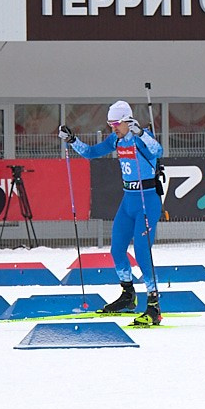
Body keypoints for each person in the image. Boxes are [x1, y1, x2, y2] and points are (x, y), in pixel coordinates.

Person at [62, 102, 165, 326]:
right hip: (128, 201)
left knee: (141, 251)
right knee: (117, 249)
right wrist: (73, 141)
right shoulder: (117, 140)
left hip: (147, 201)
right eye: (110, 124)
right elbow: (90, 153)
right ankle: (128, 296)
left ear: (128, 121)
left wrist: (141, 133)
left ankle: (154, 306)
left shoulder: (141, 136)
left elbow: (158, 151)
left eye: (117, 124)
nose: (113, 128)